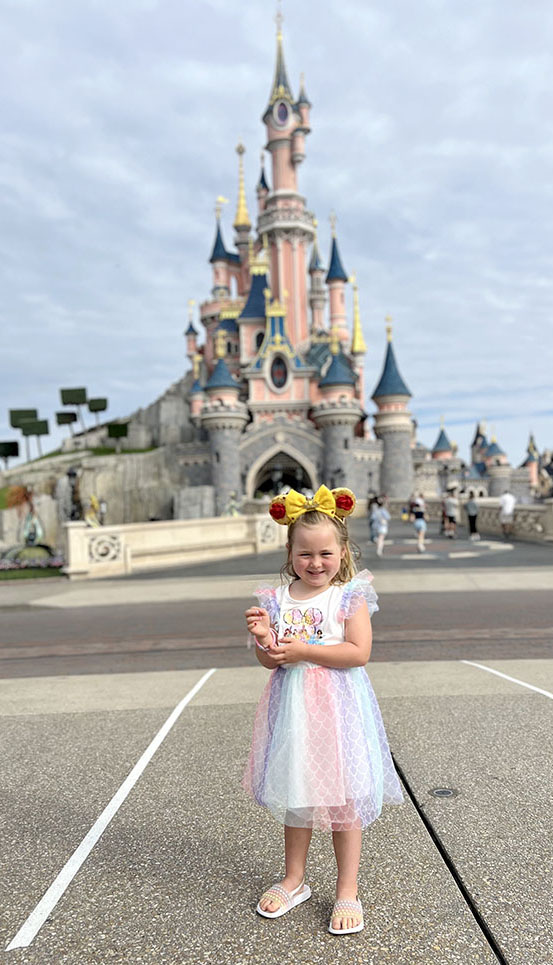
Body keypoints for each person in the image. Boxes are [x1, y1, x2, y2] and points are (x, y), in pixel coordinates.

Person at [243, 484, 404, 936]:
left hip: (339, 709)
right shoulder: (279, 599)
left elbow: (358, 653)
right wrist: (264, 640)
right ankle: (295, 879)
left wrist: (305, 649)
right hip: (294, 711)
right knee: (299, 793)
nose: (315, 563)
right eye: (305, 554)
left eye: (325, 554)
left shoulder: (348, 596)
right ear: (290, 554)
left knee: (344, 799)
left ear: (342, 551)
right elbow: (271, 659)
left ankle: (347, 888)